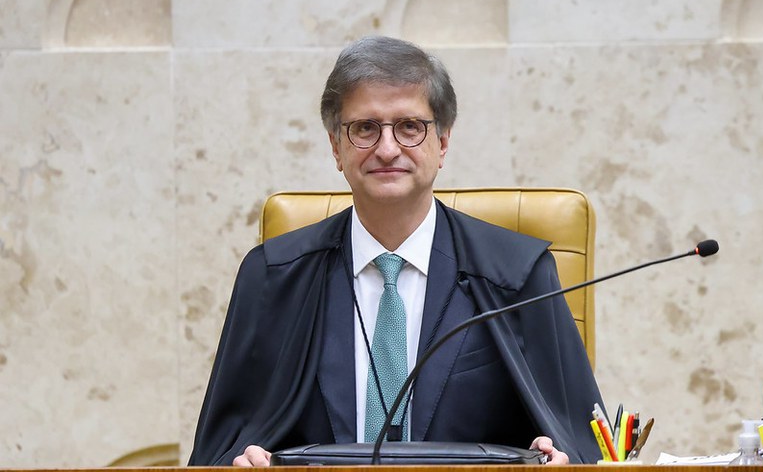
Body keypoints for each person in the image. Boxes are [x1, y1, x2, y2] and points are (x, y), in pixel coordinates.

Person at [188, 36, 604, 466]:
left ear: (442, 142)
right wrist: (239, 464)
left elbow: (581, 444)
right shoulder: (272, 275)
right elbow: (216, 453)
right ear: (336, 147)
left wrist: (559, 458)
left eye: (409, 126)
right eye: (365, 128)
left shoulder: (517, 274)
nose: (387, 149)